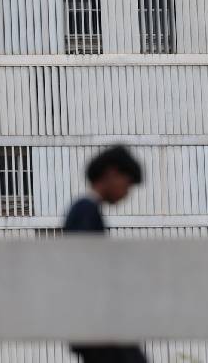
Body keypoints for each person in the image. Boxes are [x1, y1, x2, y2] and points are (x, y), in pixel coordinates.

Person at [63, 145, 147, 363]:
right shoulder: (86, 210)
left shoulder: (84, 209)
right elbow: (84, 266)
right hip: (98, 326)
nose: (127, 193)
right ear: (111, 173)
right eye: (127, 184)